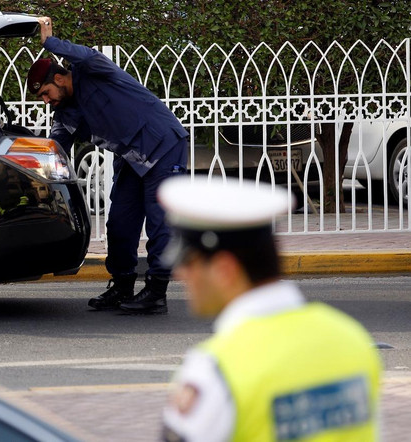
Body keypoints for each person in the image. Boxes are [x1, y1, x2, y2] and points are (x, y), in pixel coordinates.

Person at [158, 176, 382, 441]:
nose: (180, 274)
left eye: (189, 263)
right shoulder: (352, 338)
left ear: (224, 270)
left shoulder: (215, 370)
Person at [27, 16, 189, 314]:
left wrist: (50, 43)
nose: (46, 101)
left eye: (45, 93)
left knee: (159, 222)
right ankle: (123, 284)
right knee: (119, 224)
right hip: (132, 158)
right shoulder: (66, 112)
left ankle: (156, 291)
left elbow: (85, 54)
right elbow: (55, 147)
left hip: (163, 145)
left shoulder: (93, 70)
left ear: (59, 79)